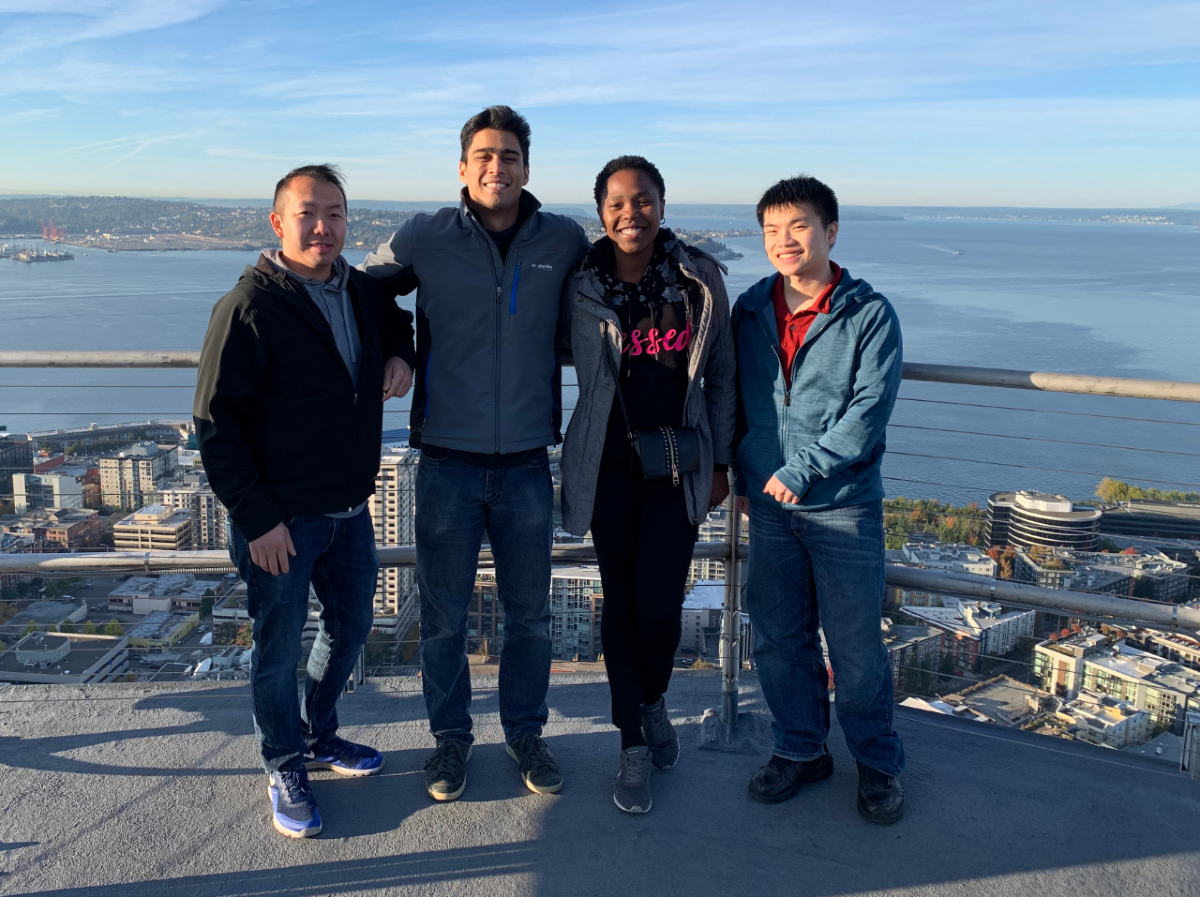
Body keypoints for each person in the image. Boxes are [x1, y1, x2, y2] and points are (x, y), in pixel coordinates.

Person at [359, 106, 590, 802]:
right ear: (463, 168)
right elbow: (362, 292)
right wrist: (399, 347)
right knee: (444, 615)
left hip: (525, 462)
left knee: (530, 616)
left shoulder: (565, 238)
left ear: (527, 166)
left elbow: (600, 299)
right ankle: (450, 742)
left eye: (511, 155)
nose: (498, 166)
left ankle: (526, 733)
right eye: (485, 155)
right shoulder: (425, 237)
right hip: (447, 463)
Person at [194, 164, 415, 839]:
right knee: (277, 644)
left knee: (349, 631)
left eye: (336, 214)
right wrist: (256, 519)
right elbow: (214, 424)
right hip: (281, 519)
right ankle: (283, 760)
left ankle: (320, 734)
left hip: (351, 507)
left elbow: (398, 325)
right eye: (309, 213)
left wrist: (401, 356)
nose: (324, 227)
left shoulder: (362, 292)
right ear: (277, 222)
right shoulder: (249, 307)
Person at [560, 156, 736, 814]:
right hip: (607, 463)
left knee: (661, 606)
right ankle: (633, 741)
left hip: (679, 463)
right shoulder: (581, 282)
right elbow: (538, 343)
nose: (630, 213)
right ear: (600, 212)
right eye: (616, 203)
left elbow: (721, 372)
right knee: (622, 602)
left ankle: (653, 696)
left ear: (661, 204)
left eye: (642, 200)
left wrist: (721, 464)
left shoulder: (698, 278)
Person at [731, 175, 906, 824]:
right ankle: (801, 748)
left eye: (798, 226)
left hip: (843, 507)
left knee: (856, 647)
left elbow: (868, 413)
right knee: (778, 638)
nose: (784, 241)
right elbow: (734, 398)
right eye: (772, 230)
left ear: (831, 231)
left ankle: (879, 763)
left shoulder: (868, 314)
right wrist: (742, 474)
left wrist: (802, 469)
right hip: (770, 507)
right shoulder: (750, 309)